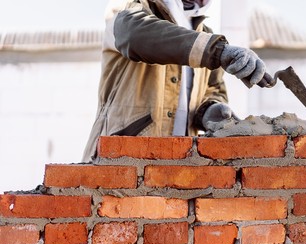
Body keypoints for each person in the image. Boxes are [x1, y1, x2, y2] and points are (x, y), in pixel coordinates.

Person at [82, 0, 272, 162]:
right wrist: (216, 51)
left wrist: (210, 110)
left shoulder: (205, 34)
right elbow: (133, 35)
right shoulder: (132, 7)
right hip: (117, 162)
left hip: (174, 171)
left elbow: (213, 90)